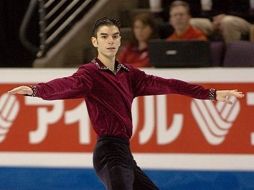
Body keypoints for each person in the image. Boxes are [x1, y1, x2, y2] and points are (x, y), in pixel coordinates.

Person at [8, 17, 244, 190]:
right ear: (94, 41)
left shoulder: (130, 74)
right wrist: (36, 90)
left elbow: (170, 84)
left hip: (123, 153)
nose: (110, 41)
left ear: (120, 40)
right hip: (109, 152)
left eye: (114, 36)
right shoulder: (89, 73)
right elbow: (66, 85)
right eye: (104, 36)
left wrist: (211, 94)